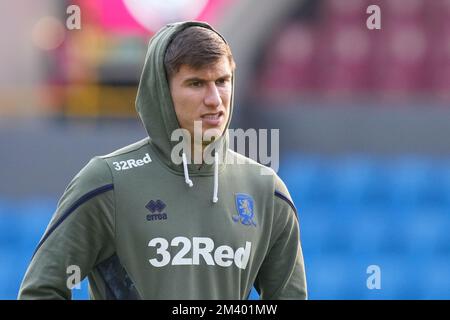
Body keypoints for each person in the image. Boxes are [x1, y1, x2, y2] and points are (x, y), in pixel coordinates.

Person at [18, 21, 307, 300]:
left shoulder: (267, 191)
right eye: (196, 83)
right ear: (161, 92)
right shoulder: (107, 182)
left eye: (222, 81)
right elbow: (41, 290)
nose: (215, 100)